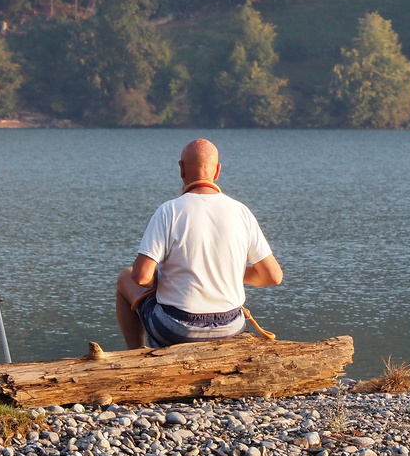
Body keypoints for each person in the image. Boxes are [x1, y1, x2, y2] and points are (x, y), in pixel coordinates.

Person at [116, 139, 284, 349]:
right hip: (231, 327)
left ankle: (136, 355)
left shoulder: (169, 211)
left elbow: (140, 277)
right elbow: (273, 276)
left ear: (181, 169)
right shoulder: (241, 212)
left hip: (177, 329)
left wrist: (168, 278)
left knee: (125, 278)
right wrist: (226, 272)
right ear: (217, 171)